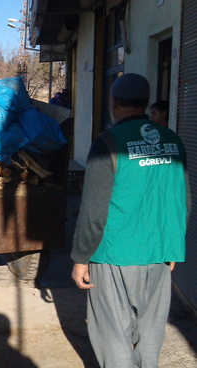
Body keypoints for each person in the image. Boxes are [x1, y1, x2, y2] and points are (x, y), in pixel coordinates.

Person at [71, 73, 190, 367]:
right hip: (159, 254)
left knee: (113, 334)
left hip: (115, 255)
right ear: (146, 104)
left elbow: (94, 210)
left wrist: (81, 257)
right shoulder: (172, 140)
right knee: (150, 334)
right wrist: (172, 246)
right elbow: (183, 200)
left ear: (113, 103)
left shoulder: (109, 143)